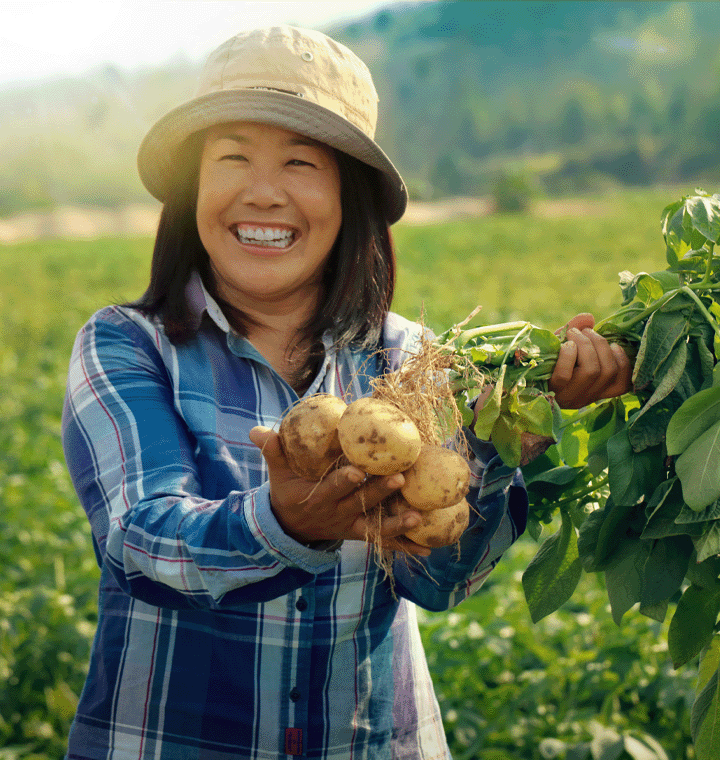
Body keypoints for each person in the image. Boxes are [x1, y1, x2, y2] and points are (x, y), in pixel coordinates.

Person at [61, 26, 631, 760]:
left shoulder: (413, 359)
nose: (263, 192)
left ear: (346, 196)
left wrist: (501, 445)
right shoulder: (128, 345)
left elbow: (441, 578)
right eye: (232, 157)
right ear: (191, 189)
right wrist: (283, 525)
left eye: (300, 162)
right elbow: (141, 541)